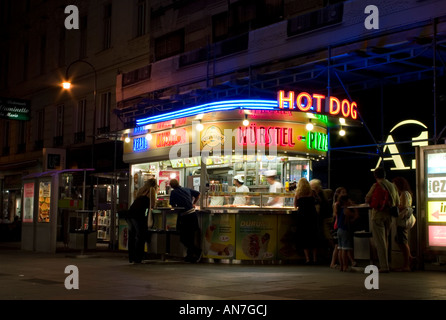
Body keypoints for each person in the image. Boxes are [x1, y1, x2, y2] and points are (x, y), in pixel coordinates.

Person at [365, 167, 400, 273]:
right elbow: (397, 201)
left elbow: (367, 198)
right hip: (389, 216)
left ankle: (384, 266)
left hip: (377, 215)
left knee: (380, 241)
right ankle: (389, 263)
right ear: (385, 175)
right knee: (386, 240)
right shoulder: (392, 186)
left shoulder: (376, 185)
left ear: (375, 176)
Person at [169, 179, 202, 263]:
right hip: (193, 214)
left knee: (183, 237)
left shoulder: (173, 192)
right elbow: (198, 194)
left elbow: (172, 205)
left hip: (185, 216)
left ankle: (196, 251)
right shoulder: (186, 189)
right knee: (190, 236)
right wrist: (193, 203)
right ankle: (190, 256)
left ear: (171, 186)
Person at [126, 178, 157, 264]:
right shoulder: (152, 190)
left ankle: (131, 257)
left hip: (130, 213)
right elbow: (153, 204)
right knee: (140, 236)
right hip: (138, 215)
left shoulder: (141, 190)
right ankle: (138, 257)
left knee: (132, 236)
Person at [392, 176, 416, 272]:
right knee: (399, 240)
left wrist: (394, 206)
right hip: (403, 221)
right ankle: (410, 258)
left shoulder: (404, 194)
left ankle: (406, 264)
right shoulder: (406, 193)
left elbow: (404, 207)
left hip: (402, 221)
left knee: (402, 241)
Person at [293, 178, 319, 264]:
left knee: (304, 237)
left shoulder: (298, 194)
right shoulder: (312, 192)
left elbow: (295, 206)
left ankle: (308, 259)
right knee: (313, 237)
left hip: (302, 216)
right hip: (312, 216)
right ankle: (315, 259)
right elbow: (318, 201)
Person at [310, 179, 333, 262]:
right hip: (326, 217)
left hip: (323, 219)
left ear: (315, 187)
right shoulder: (324, 193)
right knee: (326, 237)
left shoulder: (319, 195)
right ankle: (330, 253)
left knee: (327, 236)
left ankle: (332, 253)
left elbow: (319, 208)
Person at [334, 194, 358, 271]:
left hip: (339, 229)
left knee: (340, 249)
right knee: (345, 249)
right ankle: (345, 266)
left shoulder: (339, 208)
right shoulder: (346, 209)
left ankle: (341, 266)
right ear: (346, 201)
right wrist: (355, 208)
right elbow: (355, 216)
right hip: (345, 230)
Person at [330, 187, 348, 268]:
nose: (345, 194)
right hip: (338, 226)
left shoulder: (336, 204)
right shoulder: (339, 204)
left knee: (338, 246)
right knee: (339, 246)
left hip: (337, 225)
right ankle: (335, 263)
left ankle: (338, 264)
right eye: (343, 192)